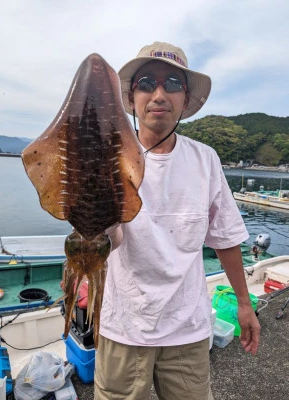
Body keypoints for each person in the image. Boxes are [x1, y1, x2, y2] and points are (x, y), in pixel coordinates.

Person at [94, 41, 261, 400]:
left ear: (185, 99)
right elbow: (105, 238)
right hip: (125, 325)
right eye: (146, 84)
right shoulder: (110, 157)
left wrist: (245, 304)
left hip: (187, 327)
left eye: (172, 83)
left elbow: (226, 237)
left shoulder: (205, 160)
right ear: (132, 96)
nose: (158, 94)